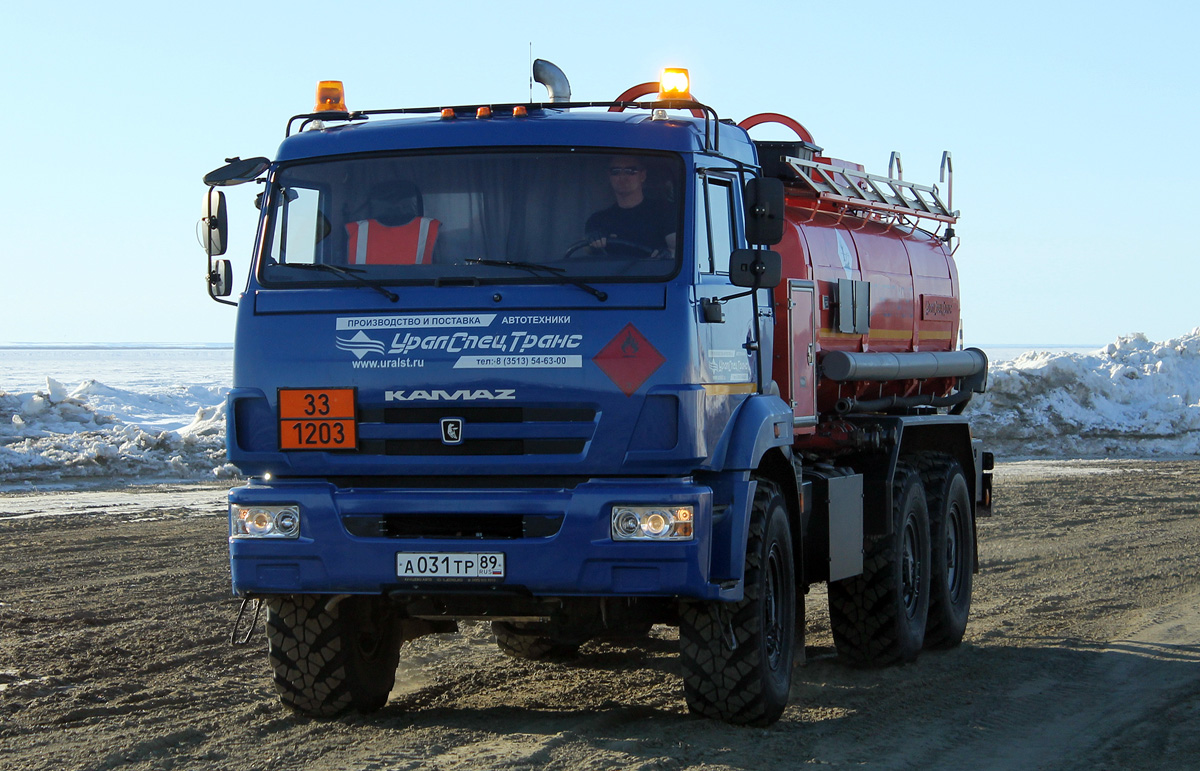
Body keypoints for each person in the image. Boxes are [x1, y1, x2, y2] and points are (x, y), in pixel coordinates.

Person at [585, 156, 676, 258]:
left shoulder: (665, 212)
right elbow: (587, 251)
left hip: (655, 273)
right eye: (615, 171)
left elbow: (677, 249)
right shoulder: (597, 221)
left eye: (630, 171)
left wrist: (668, 254)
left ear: (642, 175)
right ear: (609, 177)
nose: (622, 177)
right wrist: (593, 241)